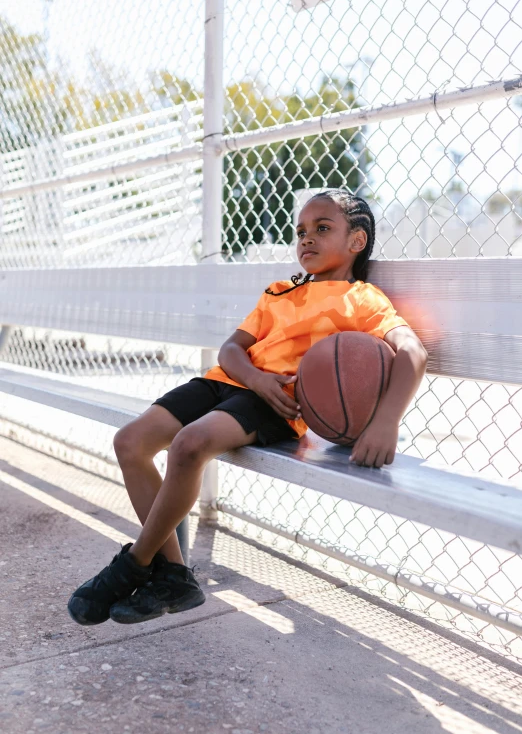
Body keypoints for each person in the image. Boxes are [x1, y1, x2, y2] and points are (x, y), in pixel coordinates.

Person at [68, 189, 428, 627]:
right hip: (231, 382)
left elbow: (412, 351)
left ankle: (132, 566)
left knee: (189, 445)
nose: (306, 239)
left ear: (357, 241)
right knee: (130, 442)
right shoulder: (281, 291)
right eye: (301, 232)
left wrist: (385, 423)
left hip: (276, 402)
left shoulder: (364, 299)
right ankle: (176, 577)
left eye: (322, 228)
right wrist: (253, 375)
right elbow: (231, 349)